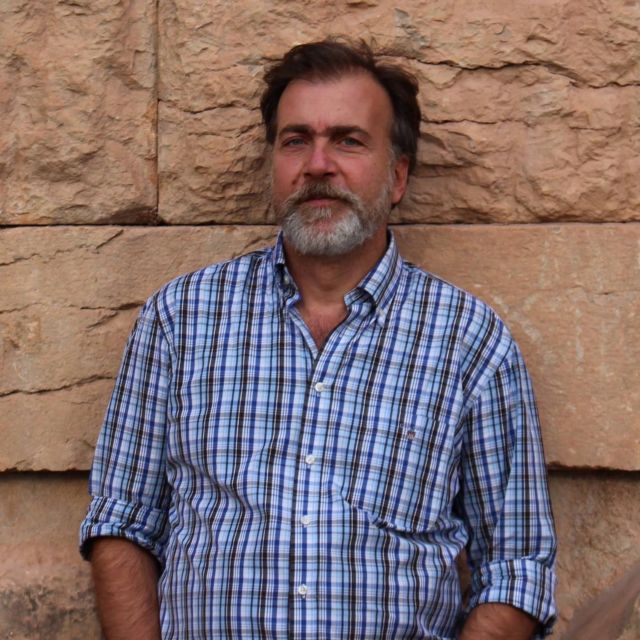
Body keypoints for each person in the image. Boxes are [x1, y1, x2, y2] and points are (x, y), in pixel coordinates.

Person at [80, 38, 557, 639]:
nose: (318, 164)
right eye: (296, 140)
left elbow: (517, 567)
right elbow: (122, 523)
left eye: (349, 141)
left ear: (398, 176)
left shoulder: (469, 342)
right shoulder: (180, 319)